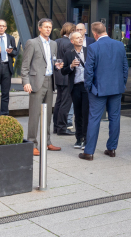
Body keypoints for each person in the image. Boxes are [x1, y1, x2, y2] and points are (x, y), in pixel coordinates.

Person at [80, 22, 128, 160]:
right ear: (105, 30)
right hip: (116, 88)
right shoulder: (119, 45)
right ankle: (112, 149)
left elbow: (88, 71)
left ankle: (89, 152)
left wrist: (88, 87)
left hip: (98, 90)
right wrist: (121, 84)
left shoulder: (93, 47)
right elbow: (125, 67)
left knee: (94, 119)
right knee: (115, 118)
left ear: (95, 34)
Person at [21, 18, 61, 156]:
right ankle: (32, 143)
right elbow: (25, 65)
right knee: (34, 114)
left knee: (48, 114)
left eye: (50, 27)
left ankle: (47, 142)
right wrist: (26, 82)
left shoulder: (54, 44)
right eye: (46, 27)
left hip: (50, 81)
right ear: (40, 28)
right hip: (36, 82)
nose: (48, 29)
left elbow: (52, 61)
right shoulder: (32, 43)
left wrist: (57, 66)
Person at [61, 31, 89, 150]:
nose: (80, 39)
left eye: (81, 37)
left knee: (86, 113)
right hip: (75, 87)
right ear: (72, 41)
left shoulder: (89, 51)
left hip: (87, 87)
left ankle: (87, 139)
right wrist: (71, 66)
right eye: (77, 38)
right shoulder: (68, 54)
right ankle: (79, 139)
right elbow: (63, 71)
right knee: (78, 114)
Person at [53, 22, 75, 136]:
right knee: (65, 103)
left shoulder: (56, 42)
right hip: (67, 76)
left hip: (58, 76)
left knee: (59, 102)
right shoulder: (70, 44)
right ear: (71, 31)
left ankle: (56, 127)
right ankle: (62, 127)